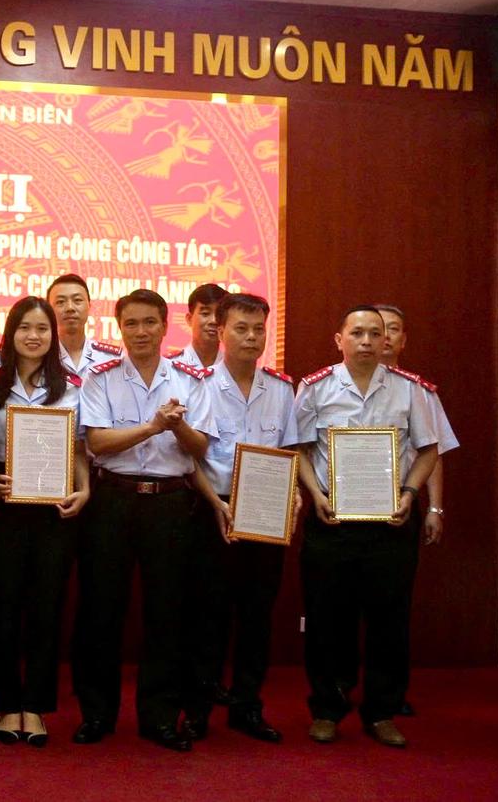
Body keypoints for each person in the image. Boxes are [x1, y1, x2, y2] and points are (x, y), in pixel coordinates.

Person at [288, 306, 440, 749]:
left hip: (391, 523)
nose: (368, 341)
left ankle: (382, 712)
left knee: (389, 621)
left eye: (376, 333)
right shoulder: (315, 388)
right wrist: (314, 494)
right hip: (331, 521)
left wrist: (410, 493)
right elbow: (298, 448)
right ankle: (327, 709)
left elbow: (430, 450)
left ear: (386, 340)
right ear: (340, 340)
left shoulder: (410, 390)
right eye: (357, 333)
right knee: (325, 620)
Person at [73, 288, 213, 752]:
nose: (140, 332)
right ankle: (97, 714)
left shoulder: (190, 380)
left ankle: (160, 717)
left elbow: (200, 449)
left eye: (149, 322)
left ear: (165, 326)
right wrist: (153, 427)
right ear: (119, 328)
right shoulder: (100, 377)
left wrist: (179, 426)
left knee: (167, 612)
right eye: (130, 323)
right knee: (100, 609)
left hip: (170, 504)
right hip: (112, 500)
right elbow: (97, 443)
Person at [182, 293, 292, 744]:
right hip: (212, 509)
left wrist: (294, 496)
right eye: (241, 329)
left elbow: (290, 452)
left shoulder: (282, 390)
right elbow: (189, 460)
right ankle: (198, 709)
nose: (251, 337)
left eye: (258, 329)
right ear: (221, 331)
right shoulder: (199, 387)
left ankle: (248, 706)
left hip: (265, 510)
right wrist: (216, 504)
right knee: (207, 616)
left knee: (257, 615)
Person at [0, 296, 88, 747]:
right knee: (5, 605)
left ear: (53, 336)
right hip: (5, 505)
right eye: (25, 328)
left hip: (54, 507)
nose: (33, 336)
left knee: (47, 607)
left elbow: (80, 447)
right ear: (11, 334)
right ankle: (8, 704)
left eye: (42, 329)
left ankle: (36, 707)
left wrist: (85, 488)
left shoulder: (71, 387)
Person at [374, 303, 458, 719]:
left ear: (403, 340)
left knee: (393, 607)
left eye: (393, 329)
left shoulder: (419, 391)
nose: (384, 337)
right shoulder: (331, 385)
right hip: (344, 507)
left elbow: (433, 453)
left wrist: (435, 507)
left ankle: (389, 695)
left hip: (401, 504)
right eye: (377, 329)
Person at [47, 273, 120, 374]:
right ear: (48, 310)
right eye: (60, 302)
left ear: (89, 306)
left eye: (77, 300)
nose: (70, 308)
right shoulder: (40, 358)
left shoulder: (112, 359)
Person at [167, 283, 226, 368]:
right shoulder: (170, 365)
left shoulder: (234, 368)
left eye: (219, 315)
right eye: (205, 313)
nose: (213, 321)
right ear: (189, 319)